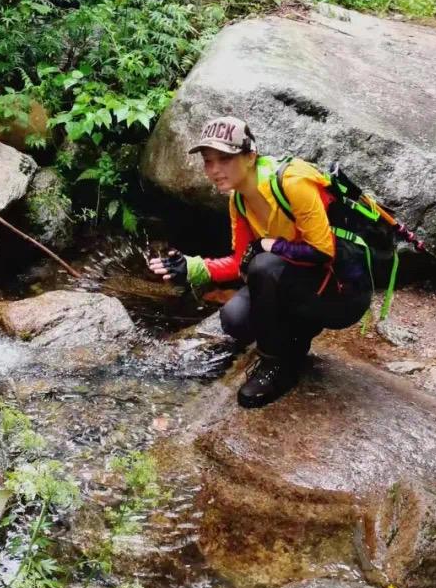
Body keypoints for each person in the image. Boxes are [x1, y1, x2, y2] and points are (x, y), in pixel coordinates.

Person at [149, 115, 371, 408]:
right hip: (300, 283)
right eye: (208, 161)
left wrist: (271, 244)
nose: (214, 170)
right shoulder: (239, 200)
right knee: (235, 319)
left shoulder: (293, 182)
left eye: (224, 159)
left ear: (250, 156)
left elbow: (322, 252)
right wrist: (192, 268)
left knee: (264, 265)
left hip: (343, 293)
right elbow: (239, 262)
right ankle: (296, 338)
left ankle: (277, 365)